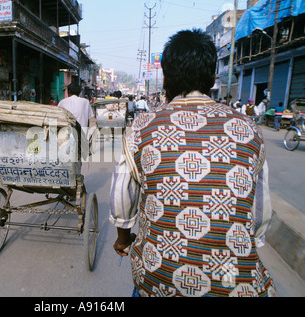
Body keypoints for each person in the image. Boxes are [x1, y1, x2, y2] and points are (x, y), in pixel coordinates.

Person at [109, 29, 275, 297]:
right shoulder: (250, 129)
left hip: (158, 281)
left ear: (165, 79)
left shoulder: (141, 127)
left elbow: (121, 200)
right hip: (236, 284)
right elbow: (260, 215)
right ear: (211, 78)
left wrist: (123, 239)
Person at [58, 82, 95, 181]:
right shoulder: (85, 102)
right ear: (79, 92)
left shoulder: (62, 102)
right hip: (80, 137)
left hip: (64, 135)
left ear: (68, 91)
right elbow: (92, 120)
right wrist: (90, 138)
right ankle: (75, 182)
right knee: (77, 160)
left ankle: (66, 182)